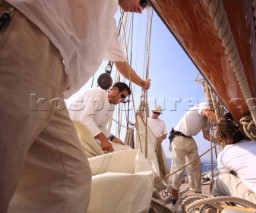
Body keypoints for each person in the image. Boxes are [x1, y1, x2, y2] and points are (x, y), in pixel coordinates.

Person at [0, 0, 149, 212]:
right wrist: (104, 139)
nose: (141, 9)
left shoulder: (107, 22)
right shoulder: (97, 95)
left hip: (54, 88)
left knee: (69, 179)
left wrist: (141, 83)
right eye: (142, 1)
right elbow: (86, 119)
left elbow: (121, 63)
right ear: (114, 90)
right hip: (28, 38)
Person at [168, 102, 216, 204]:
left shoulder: (206, 121)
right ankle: (174, 196)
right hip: (178, 136)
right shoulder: (204, 105)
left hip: (190, 139)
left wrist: (219, 141)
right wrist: (221, 122)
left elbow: (206, 135)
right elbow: (208, 113)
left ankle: (196, 193)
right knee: (178, 168)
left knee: (195, 166)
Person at [68, 82, 131, 152]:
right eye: (122, 96)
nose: (122, 100)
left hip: (77, 134)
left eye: (124, 99)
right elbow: (85, 118)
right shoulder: (96, 93)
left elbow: (101, 126)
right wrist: (103, 139)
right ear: (115, 90)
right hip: (67, 127)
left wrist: (112, 138)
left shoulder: (111, 107)